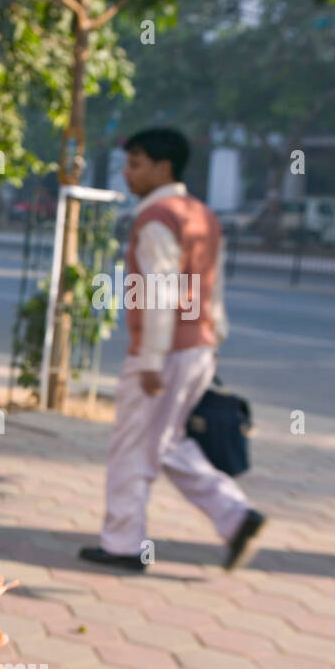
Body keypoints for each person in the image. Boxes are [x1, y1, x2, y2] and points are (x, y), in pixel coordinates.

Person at [80, 128, 264, 573]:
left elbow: (159, 293)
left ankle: (123, 544)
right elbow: (213, 289)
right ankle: (235, 515)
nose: (127, 173)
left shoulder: (158, 218)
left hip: (164, 354)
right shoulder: (201, 213)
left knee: (133, 448)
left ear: (164, 167)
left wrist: (150, 360)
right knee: (165, 443)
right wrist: (213, 338)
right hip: (197, 347)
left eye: (137, 164)